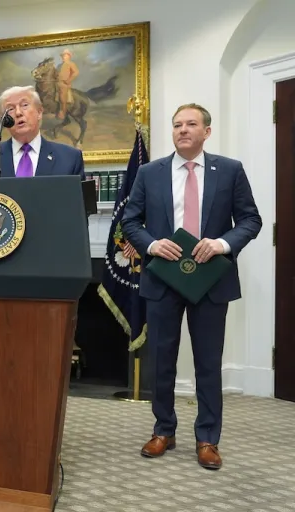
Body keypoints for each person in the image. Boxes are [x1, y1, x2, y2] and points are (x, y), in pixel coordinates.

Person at [121, 103, 262, 470]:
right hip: (163, 278)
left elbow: (250, 219)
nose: (183, 130)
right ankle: (163, 430)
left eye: (191, 124)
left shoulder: (229, 170)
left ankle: (207, 438)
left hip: (210, 279)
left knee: (208, 362)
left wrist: (223, 244)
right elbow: (130, 221)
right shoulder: (150, 173)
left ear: (206, 132)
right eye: (177, 125)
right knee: (162, 359)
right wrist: (151, 245)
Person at [0, 85, 85, 179]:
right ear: (5, 119)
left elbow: (81, 207)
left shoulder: (70, 158)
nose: (18, 113)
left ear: (39, 112)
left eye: (24, 105)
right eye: (10, 109)